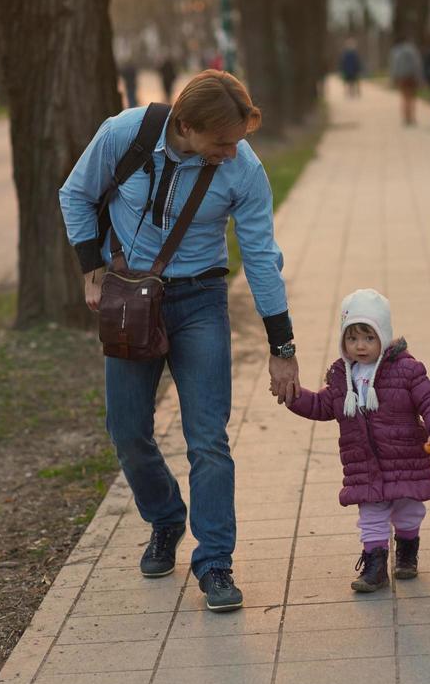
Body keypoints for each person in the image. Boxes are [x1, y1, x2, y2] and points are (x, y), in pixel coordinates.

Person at [59, 70, 300, 611]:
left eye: (238, 140)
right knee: (125, 431)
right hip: (130, 300)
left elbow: (261, 257)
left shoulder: (244, 169)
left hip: (201, 302)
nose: (232, 151)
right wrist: (89, 268)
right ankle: (166, 518)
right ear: (186, 126)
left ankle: (215, 563)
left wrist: (281, 346)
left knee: (208, 439)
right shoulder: (127, 135)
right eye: (222, 142)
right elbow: (74, 194)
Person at [282, 288, 430, 592]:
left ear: (383, 337)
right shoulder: (341, 376)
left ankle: (407, 551)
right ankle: (374, 565)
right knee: (371, 515)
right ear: (343, 340)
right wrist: (294, 397)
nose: (360, 346)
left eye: (368, 337)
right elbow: (323, 406)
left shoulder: (407, 370)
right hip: (364, 466)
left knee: (408, 512)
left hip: (406, 459)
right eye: (352, 338)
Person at [389, 34, 423, 125]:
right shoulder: (413, 50)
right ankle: (412, 117)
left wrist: (393, 78)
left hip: (401, 77)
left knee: (404, 97)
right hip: (411, 76)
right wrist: (419, 77)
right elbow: (417, 64)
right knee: (412, 97)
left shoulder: (396, 51)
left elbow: (394, 66)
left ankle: (406, 118)